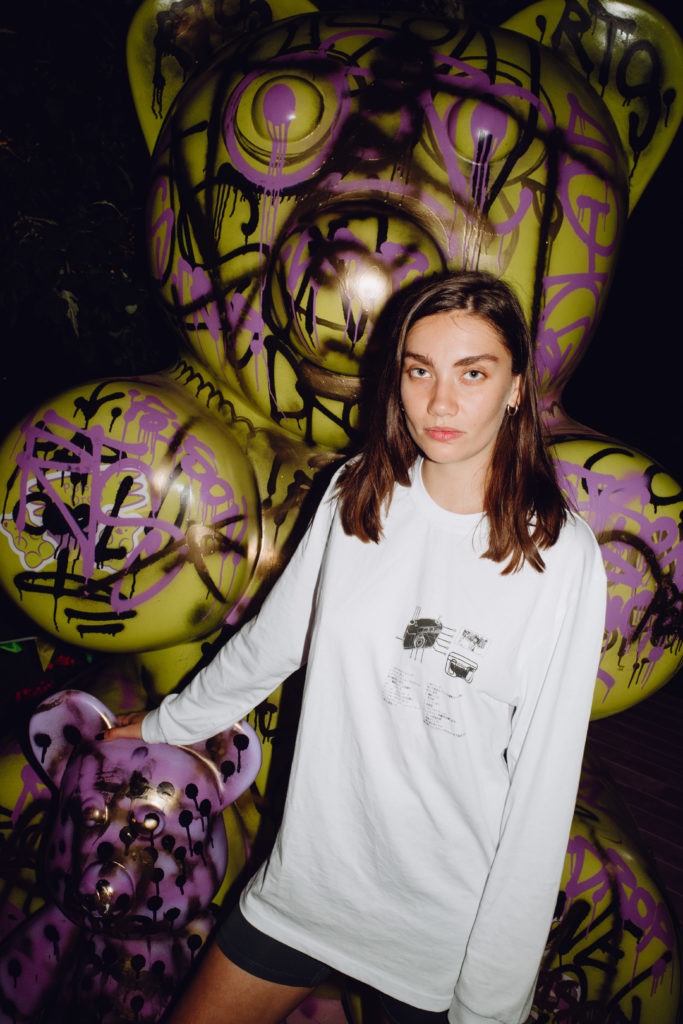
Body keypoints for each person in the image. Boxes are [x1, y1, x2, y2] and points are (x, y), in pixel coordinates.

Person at [103, 271, 607, 1024]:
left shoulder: (558, 556)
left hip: (436, 927)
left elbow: (540, 793)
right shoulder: (357, 494)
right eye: (419, 371)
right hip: (308, 885)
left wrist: (491, 1005)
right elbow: (272, 645)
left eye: (472, 373)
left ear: (514, 389)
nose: (440, 402)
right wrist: (164, 724)